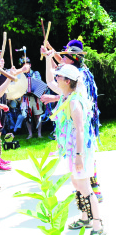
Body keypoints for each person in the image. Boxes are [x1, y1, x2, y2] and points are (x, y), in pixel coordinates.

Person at [42, 49, 105, 234]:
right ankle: (85, 218)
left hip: (79, 151)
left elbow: (80, 130)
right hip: (72, 150)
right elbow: (48, 81)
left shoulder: (74, 101)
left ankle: (98, 224)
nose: (57, 79)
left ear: (67, 81)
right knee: (77, 184)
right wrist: (47, 58)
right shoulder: (67, 96)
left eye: (59, 77)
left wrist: (78, 156)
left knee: (85, 187)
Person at [18, 56, 43, 139]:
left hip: (36, 98)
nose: (25, 66)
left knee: (38, 115)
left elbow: (39, 84)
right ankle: (30, 134)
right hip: (25, 98)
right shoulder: (20, 75)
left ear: (30, 65)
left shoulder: (36, 73)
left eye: (27, 64)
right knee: (27, 116)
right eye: (23, 65)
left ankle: (39, 134)